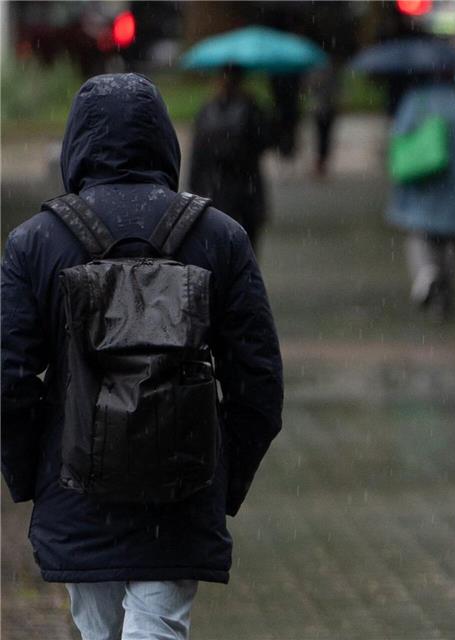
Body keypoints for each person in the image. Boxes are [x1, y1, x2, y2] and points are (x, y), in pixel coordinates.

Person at [1, 74, 283, 639]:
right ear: (163, 141)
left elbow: (7, 381)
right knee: (158, 628)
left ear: (76, 142)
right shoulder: (219, 237)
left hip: (77, 486)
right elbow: (259, 384)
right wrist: (221, 476)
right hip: (181, 493)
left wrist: (35, 469)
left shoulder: (35, 242)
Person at [385, 77, 455, 321]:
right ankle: (445, 293)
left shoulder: (416, 100)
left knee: (420, 235)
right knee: (452, 243)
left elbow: (399, 139)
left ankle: (426, 273)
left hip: (423, 183)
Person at [189, 66, 270, 254]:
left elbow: (198, 152)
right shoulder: (247, 107)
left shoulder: (212, 109)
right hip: (233, 186)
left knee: (228, 244)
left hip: (226, 186)